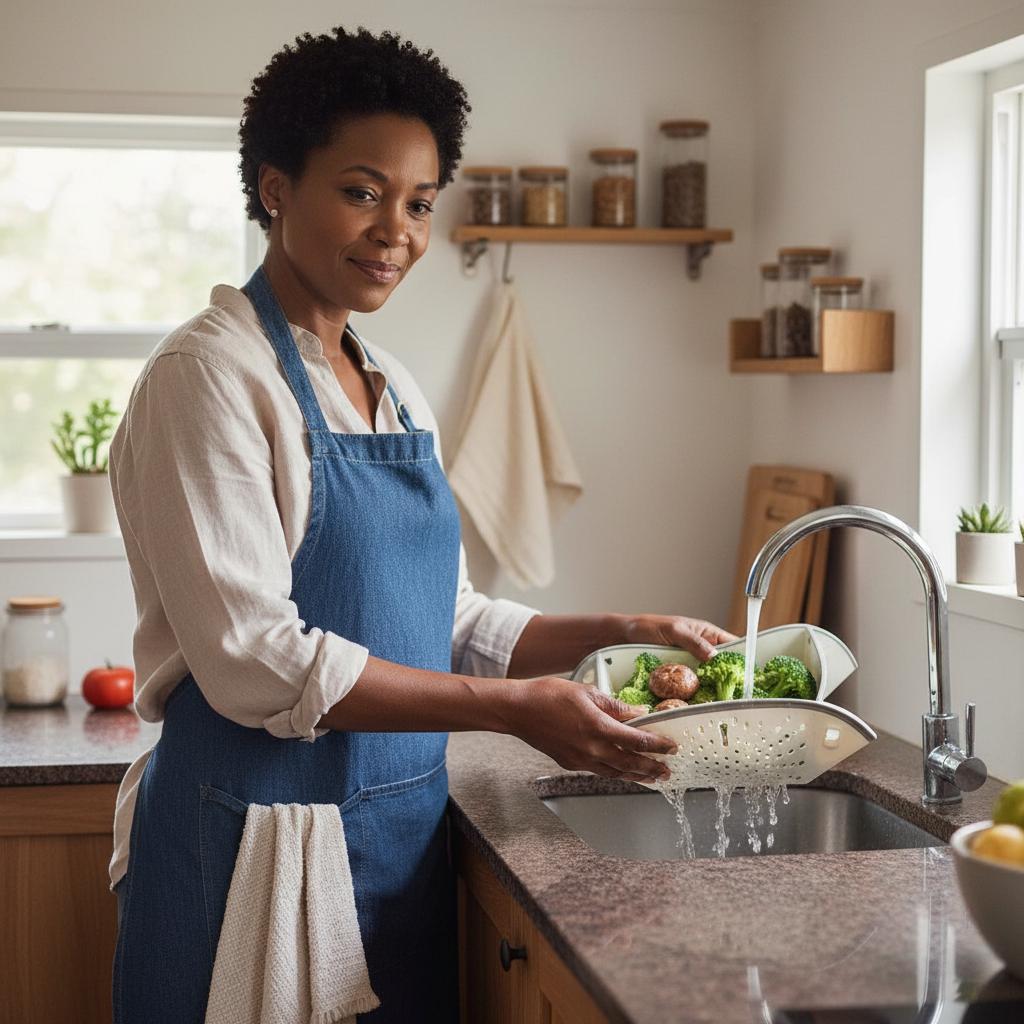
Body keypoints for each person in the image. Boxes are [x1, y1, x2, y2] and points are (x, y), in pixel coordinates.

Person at [107, 25, 734, 1024]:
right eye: (361, 191)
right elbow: (255, 661)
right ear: (274, 187)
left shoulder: (390, 385)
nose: (396, 229)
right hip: (251, 844)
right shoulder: (209, 378)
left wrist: (615, 629)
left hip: (395, 832)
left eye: (420, 202)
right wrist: (510, 707)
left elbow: (444, 615)